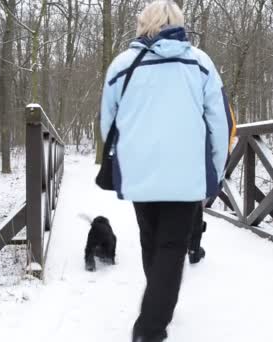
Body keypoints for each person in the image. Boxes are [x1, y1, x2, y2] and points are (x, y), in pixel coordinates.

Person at [99, 1, 234, 341]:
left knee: (151, 240)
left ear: (142, 24)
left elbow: (107, 124)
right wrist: (216, 172)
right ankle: (151, 327)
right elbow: (220, 124)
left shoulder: (122, 65)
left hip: (139, 172)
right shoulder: (199, 63)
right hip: (185, 175)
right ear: (179, 23)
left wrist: (125, 157)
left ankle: (157, 303)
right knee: (172, 247)